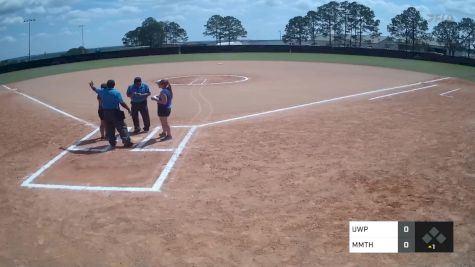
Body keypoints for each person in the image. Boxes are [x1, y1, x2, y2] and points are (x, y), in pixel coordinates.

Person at [89, 80, 133, 148]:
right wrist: (128, 109)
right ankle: (127, 142)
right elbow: (121, 103)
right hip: (115, 112)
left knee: (110, 128)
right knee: (122, 127)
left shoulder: (102, 91)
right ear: (114, 85)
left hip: (105, 112)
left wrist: (91, 85)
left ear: (107, 84)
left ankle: (112, 143)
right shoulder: (116, 92)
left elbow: (94, 89)